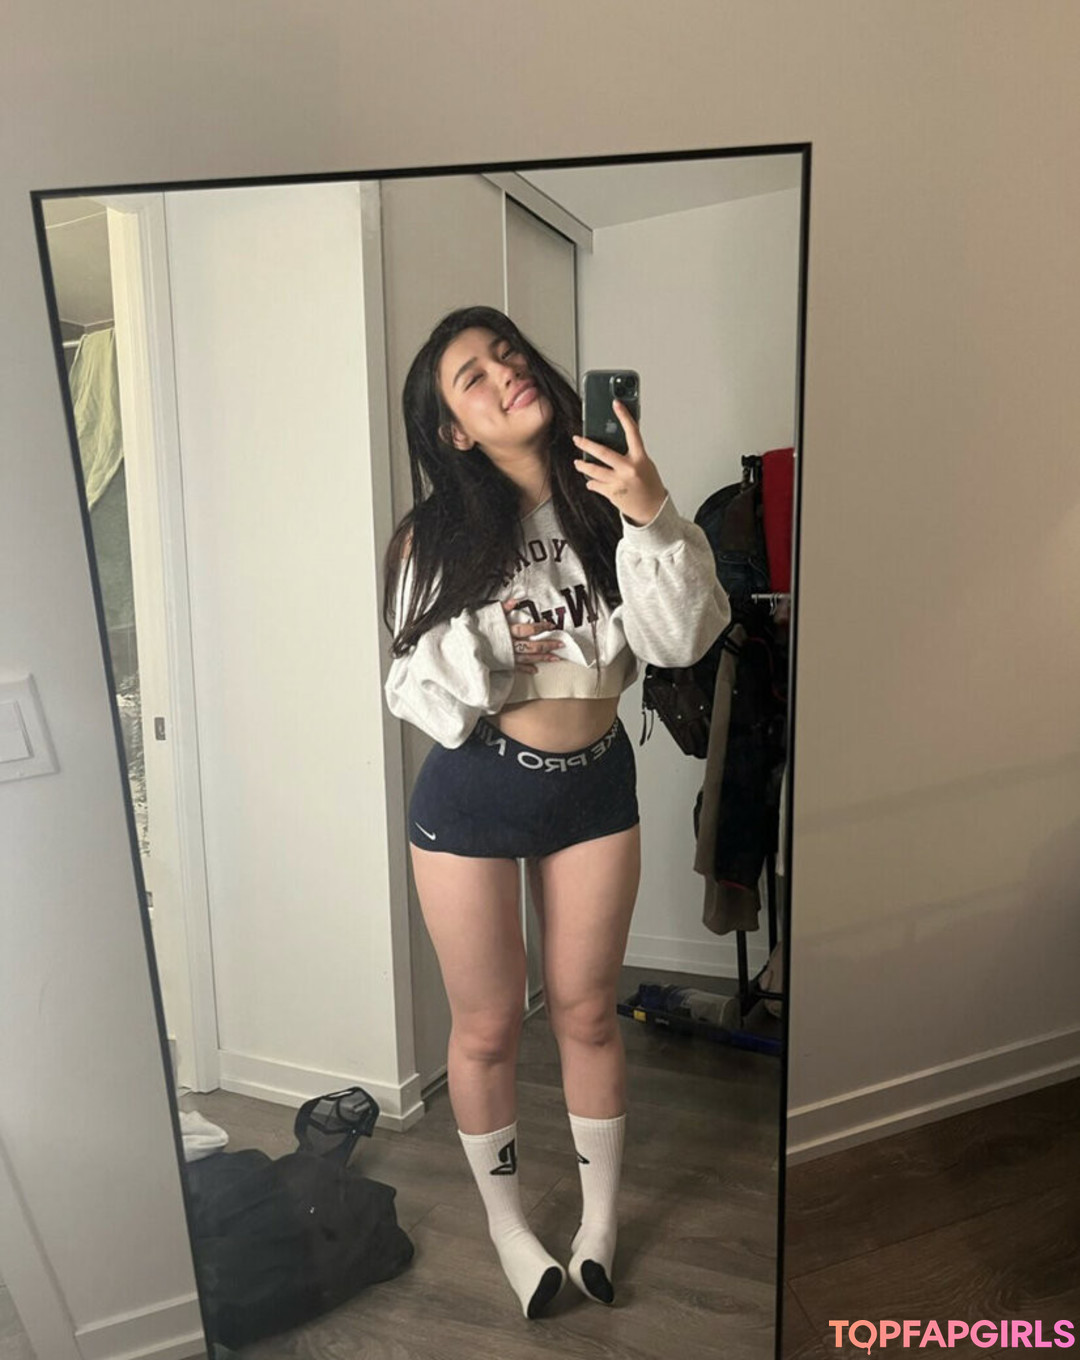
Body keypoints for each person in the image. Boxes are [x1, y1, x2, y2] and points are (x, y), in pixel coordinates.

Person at [381, 306, 730, 1319]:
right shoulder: (434, 538)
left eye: (508, 356)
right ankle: (506, 1226)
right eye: (473, 378)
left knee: (585, 1011)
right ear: (453, 431)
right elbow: (412, 691)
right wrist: (494, 643)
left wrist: (652, 515)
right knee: (489, 1026)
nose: (504, 376)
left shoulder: (613, 499)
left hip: (594, 788)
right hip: (475, 791)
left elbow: (681, 640)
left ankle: (599, 1223)